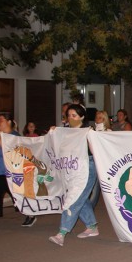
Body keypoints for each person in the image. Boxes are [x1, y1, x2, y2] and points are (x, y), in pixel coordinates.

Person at [49, 104, 100, 246]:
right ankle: (92, 227)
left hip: (86, 168)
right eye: (69, 115)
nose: (71, 118)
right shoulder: (65, 132)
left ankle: (62, 233)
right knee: (80, 197)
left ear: (82, 117)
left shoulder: (88, 132)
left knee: (74, 198)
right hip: (70, 169)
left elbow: (94, 151)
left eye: (74, 116)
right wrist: (54, 133)